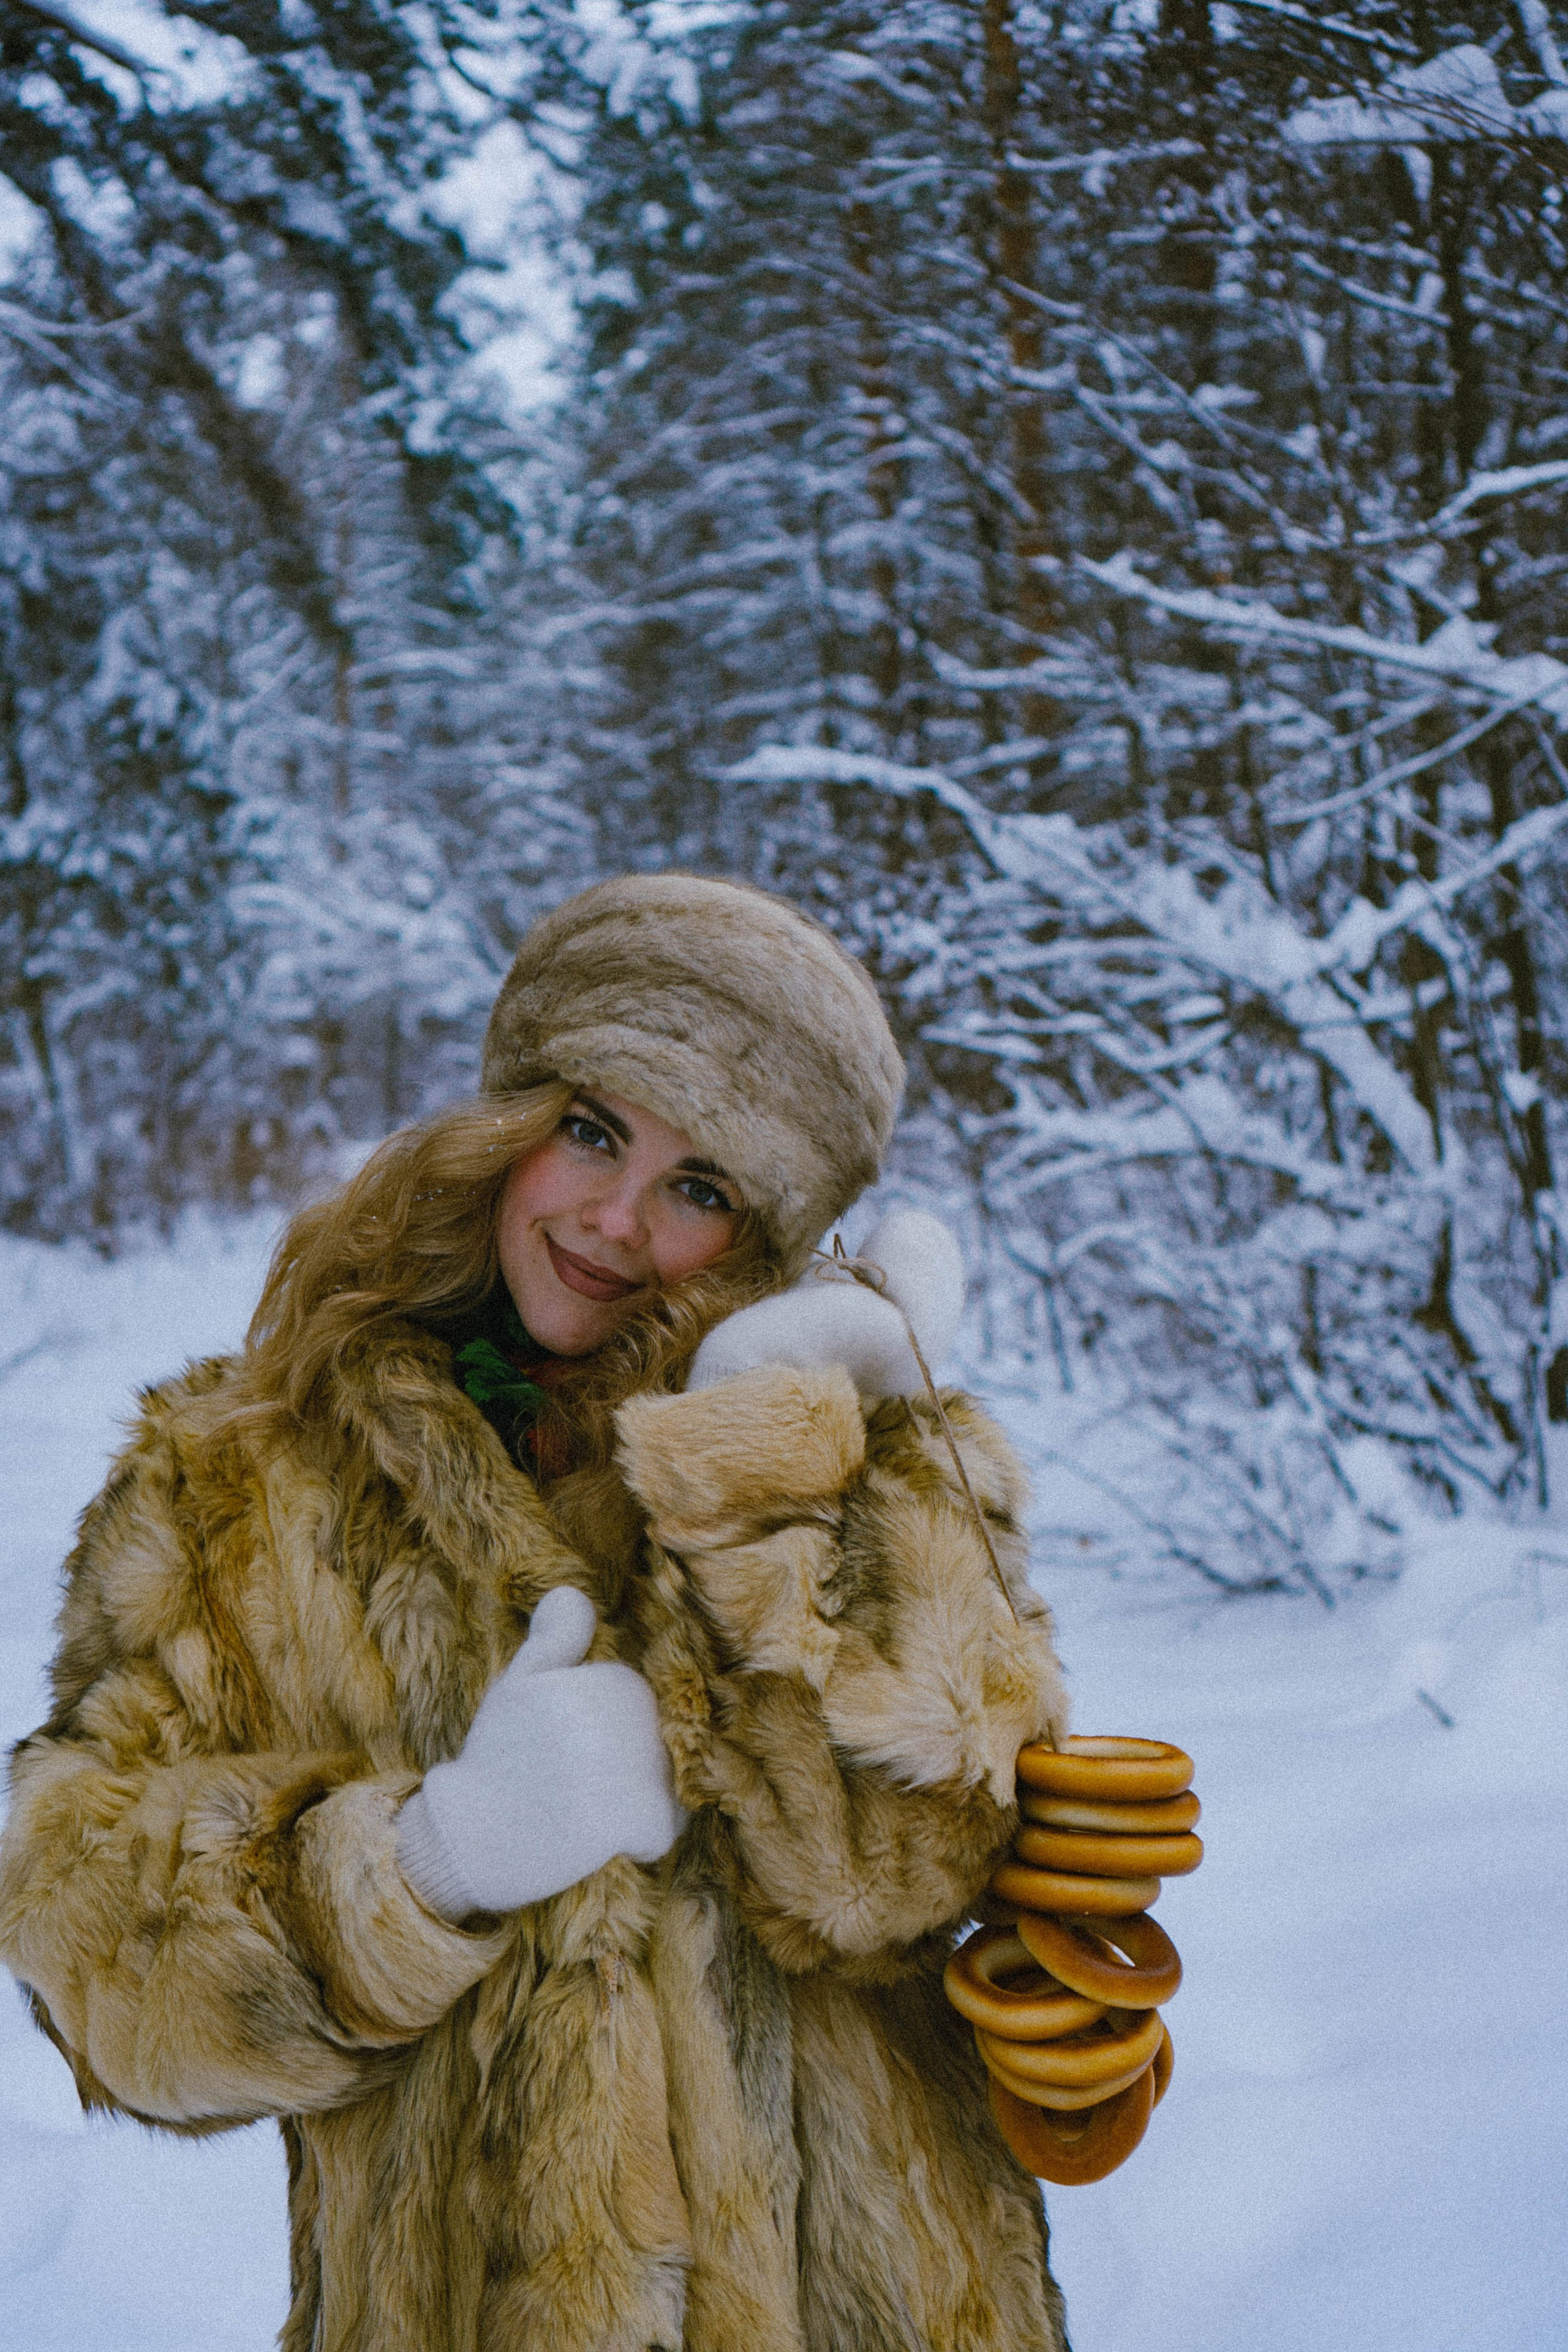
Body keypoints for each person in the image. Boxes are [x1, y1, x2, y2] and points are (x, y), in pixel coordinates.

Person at [0, 875, 1072, 2352]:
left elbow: (899, 1870)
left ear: (771, 1232)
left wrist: (776, 1469)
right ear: (507, 1123)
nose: (617, 1219)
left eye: (702, 1188)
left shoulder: (852, 1445)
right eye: (592, 1130)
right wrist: (418, 1866)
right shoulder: (241, 1469)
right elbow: (79, 1934)